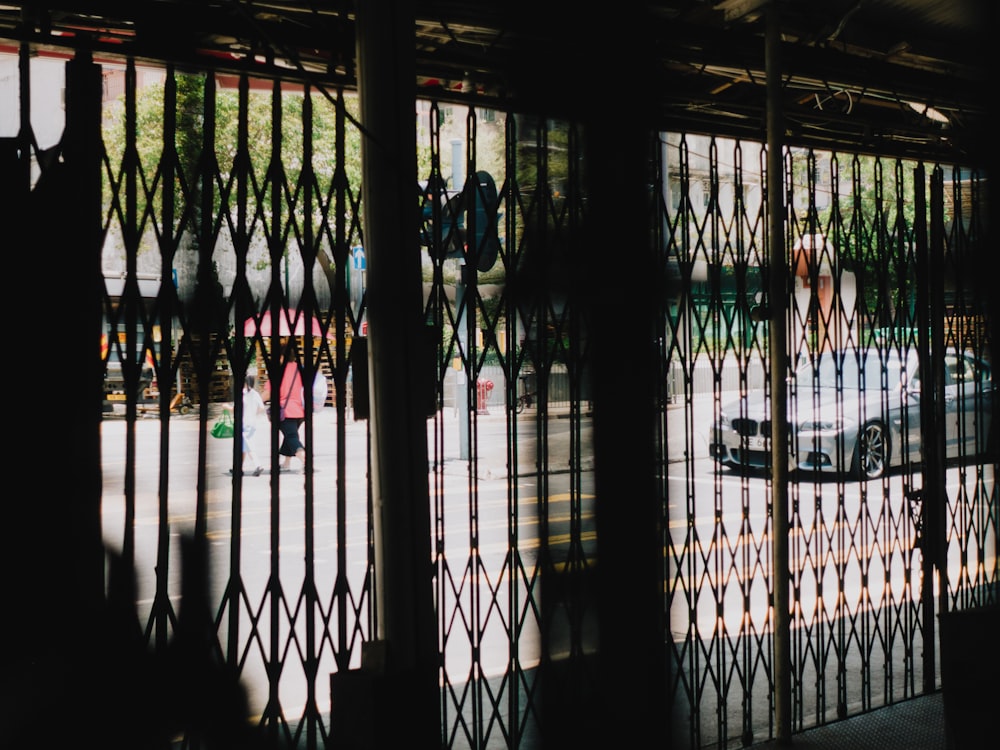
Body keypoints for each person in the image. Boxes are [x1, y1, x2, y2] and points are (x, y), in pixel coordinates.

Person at [271, 340, 307, 472]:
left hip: (286, 411)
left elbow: (269, 392)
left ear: (281, 356)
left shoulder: (278, 371)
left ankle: (305, 461)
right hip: (301, 411)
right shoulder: (300, 368)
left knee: (291, 437)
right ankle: (286, 464)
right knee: (290, 435)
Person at [237, 373, 267, 476]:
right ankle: (238, 467)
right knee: (244, 445)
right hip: (252, 422)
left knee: (248, 446)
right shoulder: (255, 393)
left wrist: (226, 407)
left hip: (244, 423)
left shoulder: (243, 393)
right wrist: (254, 413)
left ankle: (258, 465)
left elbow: (236, 409)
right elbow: (262, 408)